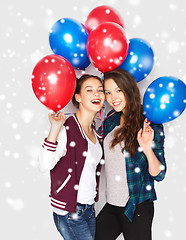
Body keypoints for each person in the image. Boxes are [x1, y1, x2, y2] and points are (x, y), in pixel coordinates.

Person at [95, 68, 167, 240]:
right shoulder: (111, 119)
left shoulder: (149, 122)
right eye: (108, 93)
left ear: (129, 89)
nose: (113, 98)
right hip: (112, 205)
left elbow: (159, 174)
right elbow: (94, 149)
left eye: (118, 90)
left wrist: (147, 147)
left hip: (137, 206)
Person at [38, 74, 105, 240]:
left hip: (89, 208)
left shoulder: (97, 132)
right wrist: (54, 128)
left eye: (100, 90)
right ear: (78, 97)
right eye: (89, 90)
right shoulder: (67, 127)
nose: (96, 94)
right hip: (70, 211)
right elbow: (44, 165)